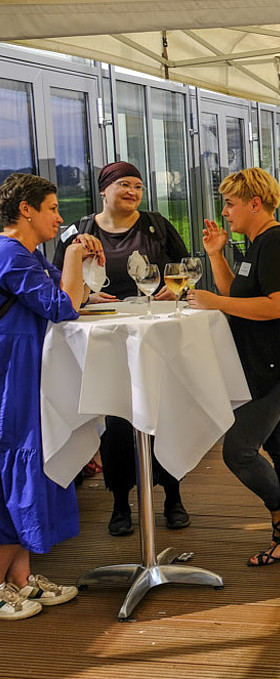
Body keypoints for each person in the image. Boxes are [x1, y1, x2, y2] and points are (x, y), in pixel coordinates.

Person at [54, 161, 192, 537]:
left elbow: (184, 269)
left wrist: (175, 288)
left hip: (155, 337)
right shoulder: (81, 231)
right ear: (104, 190)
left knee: (163, 413)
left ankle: (174, 497)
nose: (132, 192)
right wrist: (86, 292)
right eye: (124, 185)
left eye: (138, 186)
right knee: (116, 421)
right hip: (106, 341)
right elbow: (59, 279)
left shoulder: (157, 225)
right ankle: (119, 504)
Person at [187, 167, 280, 566]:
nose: (224, 212)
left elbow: (278, 306)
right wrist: (216, 254)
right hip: (266, 364)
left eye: (230, 204)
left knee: (238, 451)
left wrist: (214, 302)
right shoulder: (256, 243)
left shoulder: (276, 243)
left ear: (255, 204)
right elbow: (235, 291)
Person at [0, 173, 102, 619]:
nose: (60, 218)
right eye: (53, 209)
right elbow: (63, 307)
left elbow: (67, 297)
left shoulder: (25, 256)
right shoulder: (10, 255)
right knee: (13, 472)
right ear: (27, 210)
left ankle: (20, 580)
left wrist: (79, 274)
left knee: (28, 465)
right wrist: (74, 254)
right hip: (10, 383)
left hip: (25, 377)